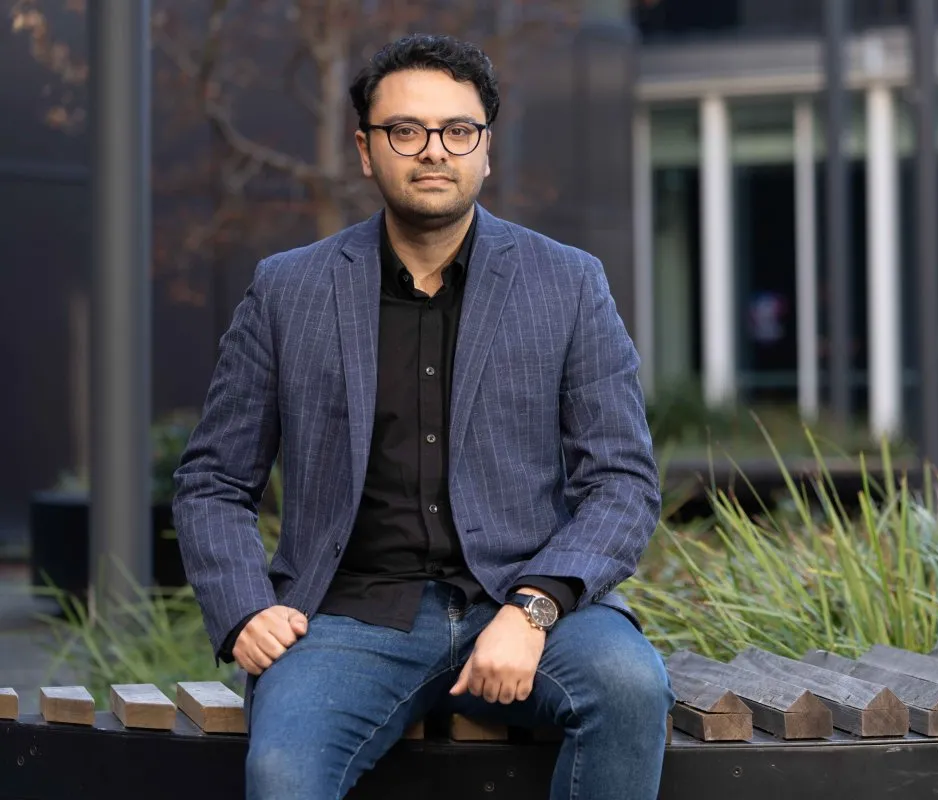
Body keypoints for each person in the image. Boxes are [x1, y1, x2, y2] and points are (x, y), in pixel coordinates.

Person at [173, 33, 673, 800]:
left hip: (526, 602)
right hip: (346, 616)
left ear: (486, 150)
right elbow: (212, 480)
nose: (432, 150)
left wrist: (534, 609)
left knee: (631, 690)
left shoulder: (568, 284)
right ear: (367, 151)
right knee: (281, 772)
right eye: (405, 131)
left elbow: (624, 483)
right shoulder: (288, 292)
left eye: (457, 131)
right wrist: (244, 608)